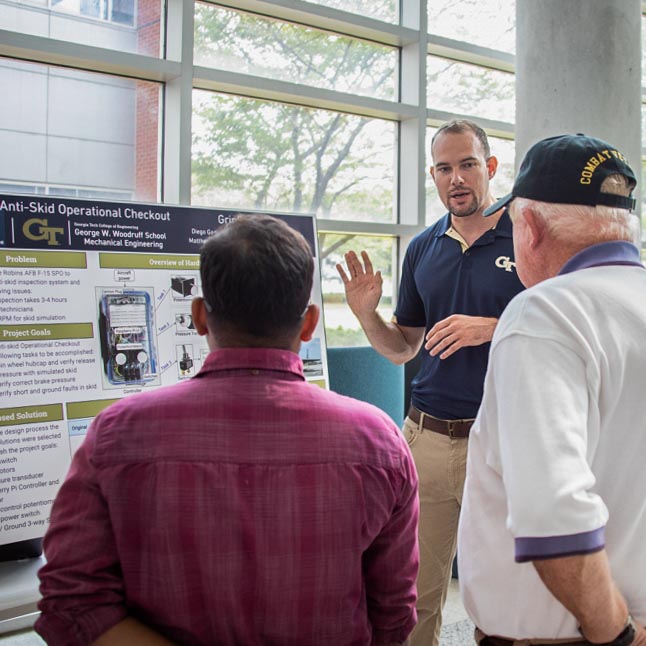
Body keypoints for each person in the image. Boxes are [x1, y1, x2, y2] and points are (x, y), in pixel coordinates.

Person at [36, 214, 420, 646]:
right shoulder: (379, 441)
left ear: (199, 315)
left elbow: (73, 604)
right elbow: (393, 615)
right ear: (310, 323)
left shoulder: (116, 433)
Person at [337, 120, 524, 645]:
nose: (456, 178)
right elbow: (402, 348)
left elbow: (561, 327)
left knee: (508, 598)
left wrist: (491, 327)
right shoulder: (422, 249)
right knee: (413, 600)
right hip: (428, 441)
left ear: (489, 168)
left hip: (504, 440)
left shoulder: (528, 238)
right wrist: (367, 316)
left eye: (467, 164)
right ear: (433, 176)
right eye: (444, 168)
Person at [458, 133, 646, 644]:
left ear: (532, 227)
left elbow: (551, 509)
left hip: (578, 634)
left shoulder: (545, 312)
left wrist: (616, 633)